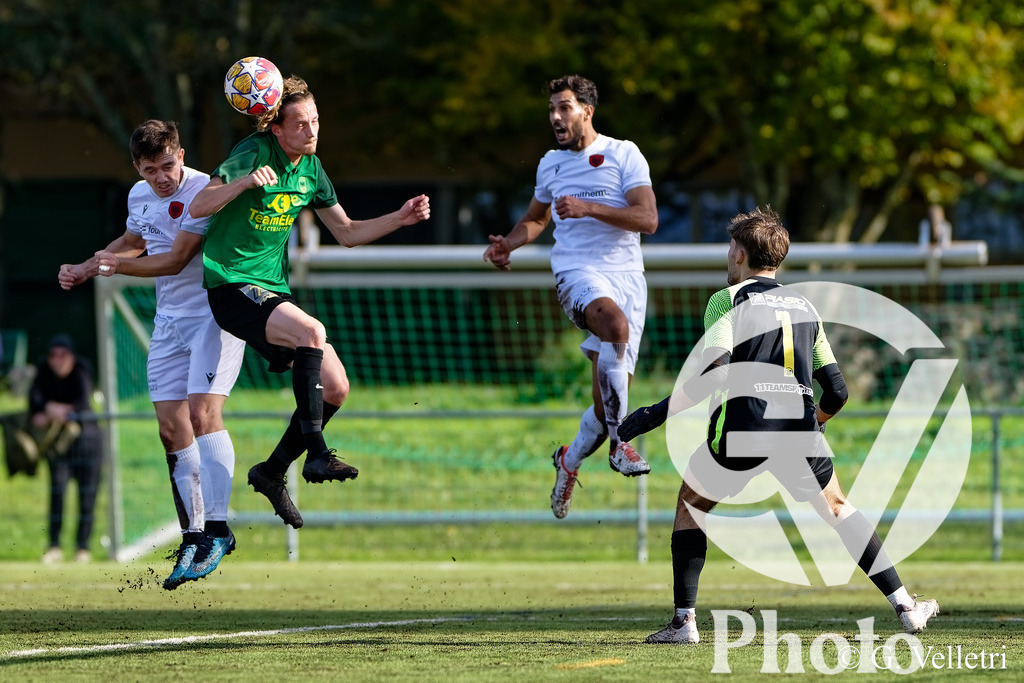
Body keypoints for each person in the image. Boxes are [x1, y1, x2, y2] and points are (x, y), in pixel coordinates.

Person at [613, 207, 939, 644]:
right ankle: (904, 606)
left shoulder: (726, 300)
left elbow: (717, 374)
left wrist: (648, 417)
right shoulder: (806, 307)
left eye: (731, 247)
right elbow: (838, 391)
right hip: (800, 431)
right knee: (839, 508)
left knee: (691, 503)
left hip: (745, 426)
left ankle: (684, 623)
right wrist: (812, 423)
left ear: (743, 254)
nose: (728, 255)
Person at [189, 74, 430, 528]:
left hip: (270, 289)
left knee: (337, 387)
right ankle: (317, 454)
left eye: (315, 121)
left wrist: (399, 218)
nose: (311, 131)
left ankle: (272, 470)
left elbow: (347, 233)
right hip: (230, 285)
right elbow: (199, 205)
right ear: (276, 129)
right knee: (312, 332)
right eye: (299, 124)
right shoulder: (254, 152)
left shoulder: (312, 170)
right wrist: (241, 185)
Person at [58, 120, 245, 589]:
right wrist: (87, 265)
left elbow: (176, 259)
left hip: (211, 315)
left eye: (167, 164)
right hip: (169, 322)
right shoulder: (139, 195)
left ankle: (219, 530)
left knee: (204, 415)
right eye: (149, 169)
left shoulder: (206, 190)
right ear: (137, 168)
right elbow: (134, 240)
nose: (161, 177)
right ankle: (194, 533)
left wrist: (112, 266)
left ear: (181, 154)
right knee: (170, 428)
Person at [482, 74, 658, 519]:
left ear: (587, 111)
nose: (556, 117)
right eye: (551, 110)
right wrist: (509, 243)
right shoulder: (550, 164)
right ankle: (623, 446)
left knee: (605, 406)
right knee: (613, 327)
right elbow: (536, 219)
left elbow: (648, 219)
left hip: (627, 281)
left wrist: (588, 207)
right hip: (578, 274)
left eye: (564, 108)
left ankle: (570, 460)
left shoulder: (624, 154)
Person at [28, 334, 102, 563]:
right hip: (59, 448)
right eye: (53, 355)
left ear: (71, 356)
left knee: (87, 496)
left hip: (87, 445)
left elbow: (82, 402)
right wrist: (50, 408)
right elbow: (34, 399)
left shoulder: (81, 368)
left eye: (63, 355)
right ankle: (54, 546)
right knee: (57, 492)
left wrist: (58, 412)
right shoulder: (43, 370)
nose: (57, 360)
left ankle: (83, 548)